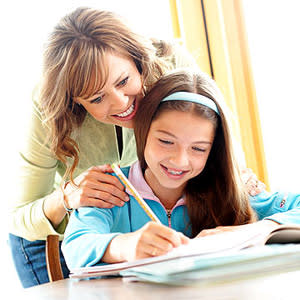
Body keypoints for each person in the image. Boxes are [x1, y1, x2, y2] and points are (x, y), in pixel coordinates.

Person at [8, 7, 199, 288]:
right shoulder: (47, 107)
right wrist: (66, 197)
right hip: (57, 243)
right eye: (97, 99)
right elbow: (19, 217)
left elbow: (218, 141)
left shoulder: (172, 65)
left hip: (137, 234)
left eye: (123, 81)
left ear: (139, 61)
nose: (120, 103)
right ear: (75, 102)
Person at [62, 69, 300, 269]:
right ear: (143, 132)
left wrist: (256, 230)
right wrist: (125, 246)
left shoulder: (229, 189)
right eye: (166, 142)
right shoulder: (110, 188)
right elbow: (75, 246)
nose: (180, 161)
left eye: (198, 148)